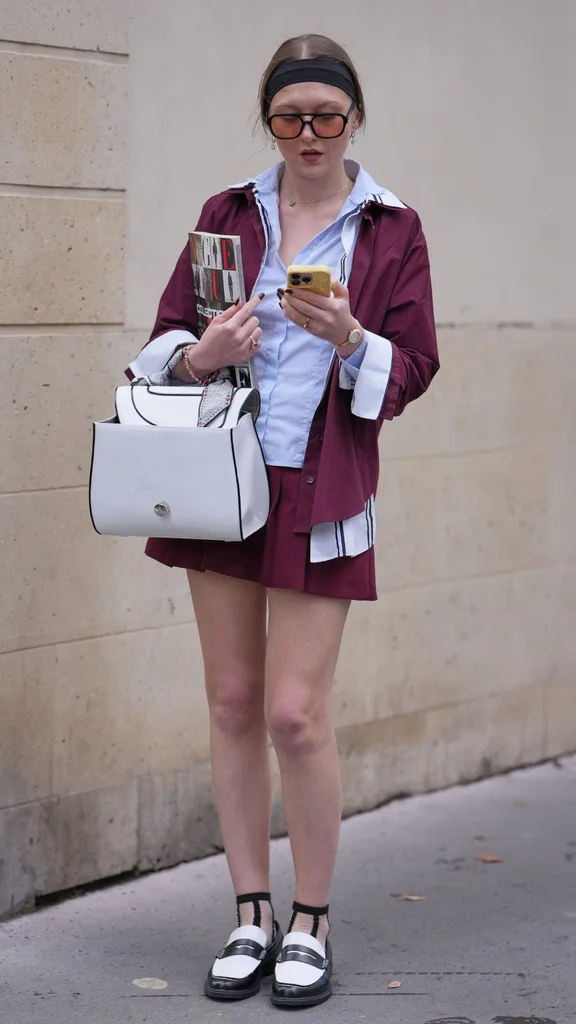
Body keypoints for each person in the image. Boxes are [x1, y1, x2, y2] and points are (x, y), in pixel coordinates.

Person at [128, 33, 439, 1009]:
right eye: (290, 116)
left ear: (354, 118)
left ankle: (312, 919)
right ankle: (250, 911)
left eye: (327, 116)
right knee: (231, 701)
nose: (308, 134)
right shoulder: (228, 213)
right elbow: (165, 338)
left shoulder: (390, 227)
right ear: (269, 119)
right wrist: (202, 354)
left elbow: (416, 366)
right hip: (221, 479)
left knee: (294, 715)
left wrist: (351, 338)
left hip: (320, 486)